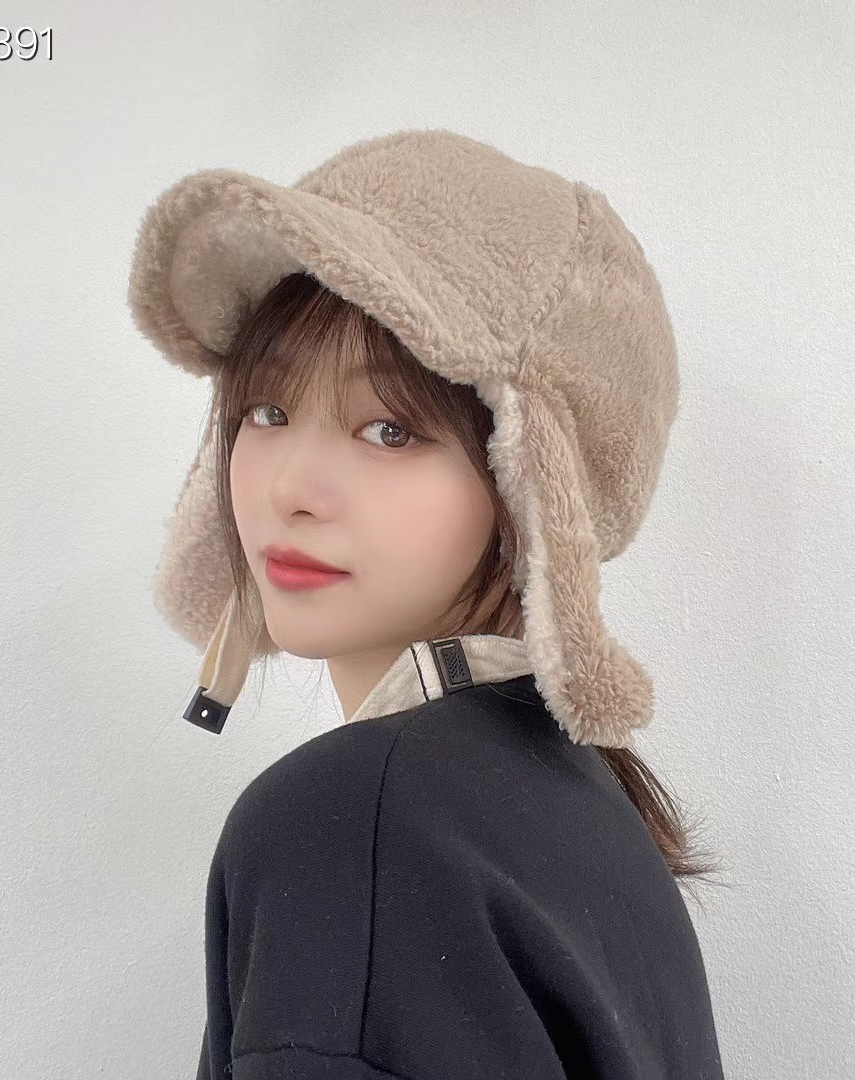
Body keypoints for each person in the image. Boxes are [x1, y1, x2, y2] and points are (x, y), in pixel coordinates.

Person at [128, 128, 728, 1079]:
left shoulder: (353, 822)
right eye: (268, 412)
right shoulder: (586, 801)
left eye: (389, 430)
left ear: (531, 486)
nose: (291, 488)